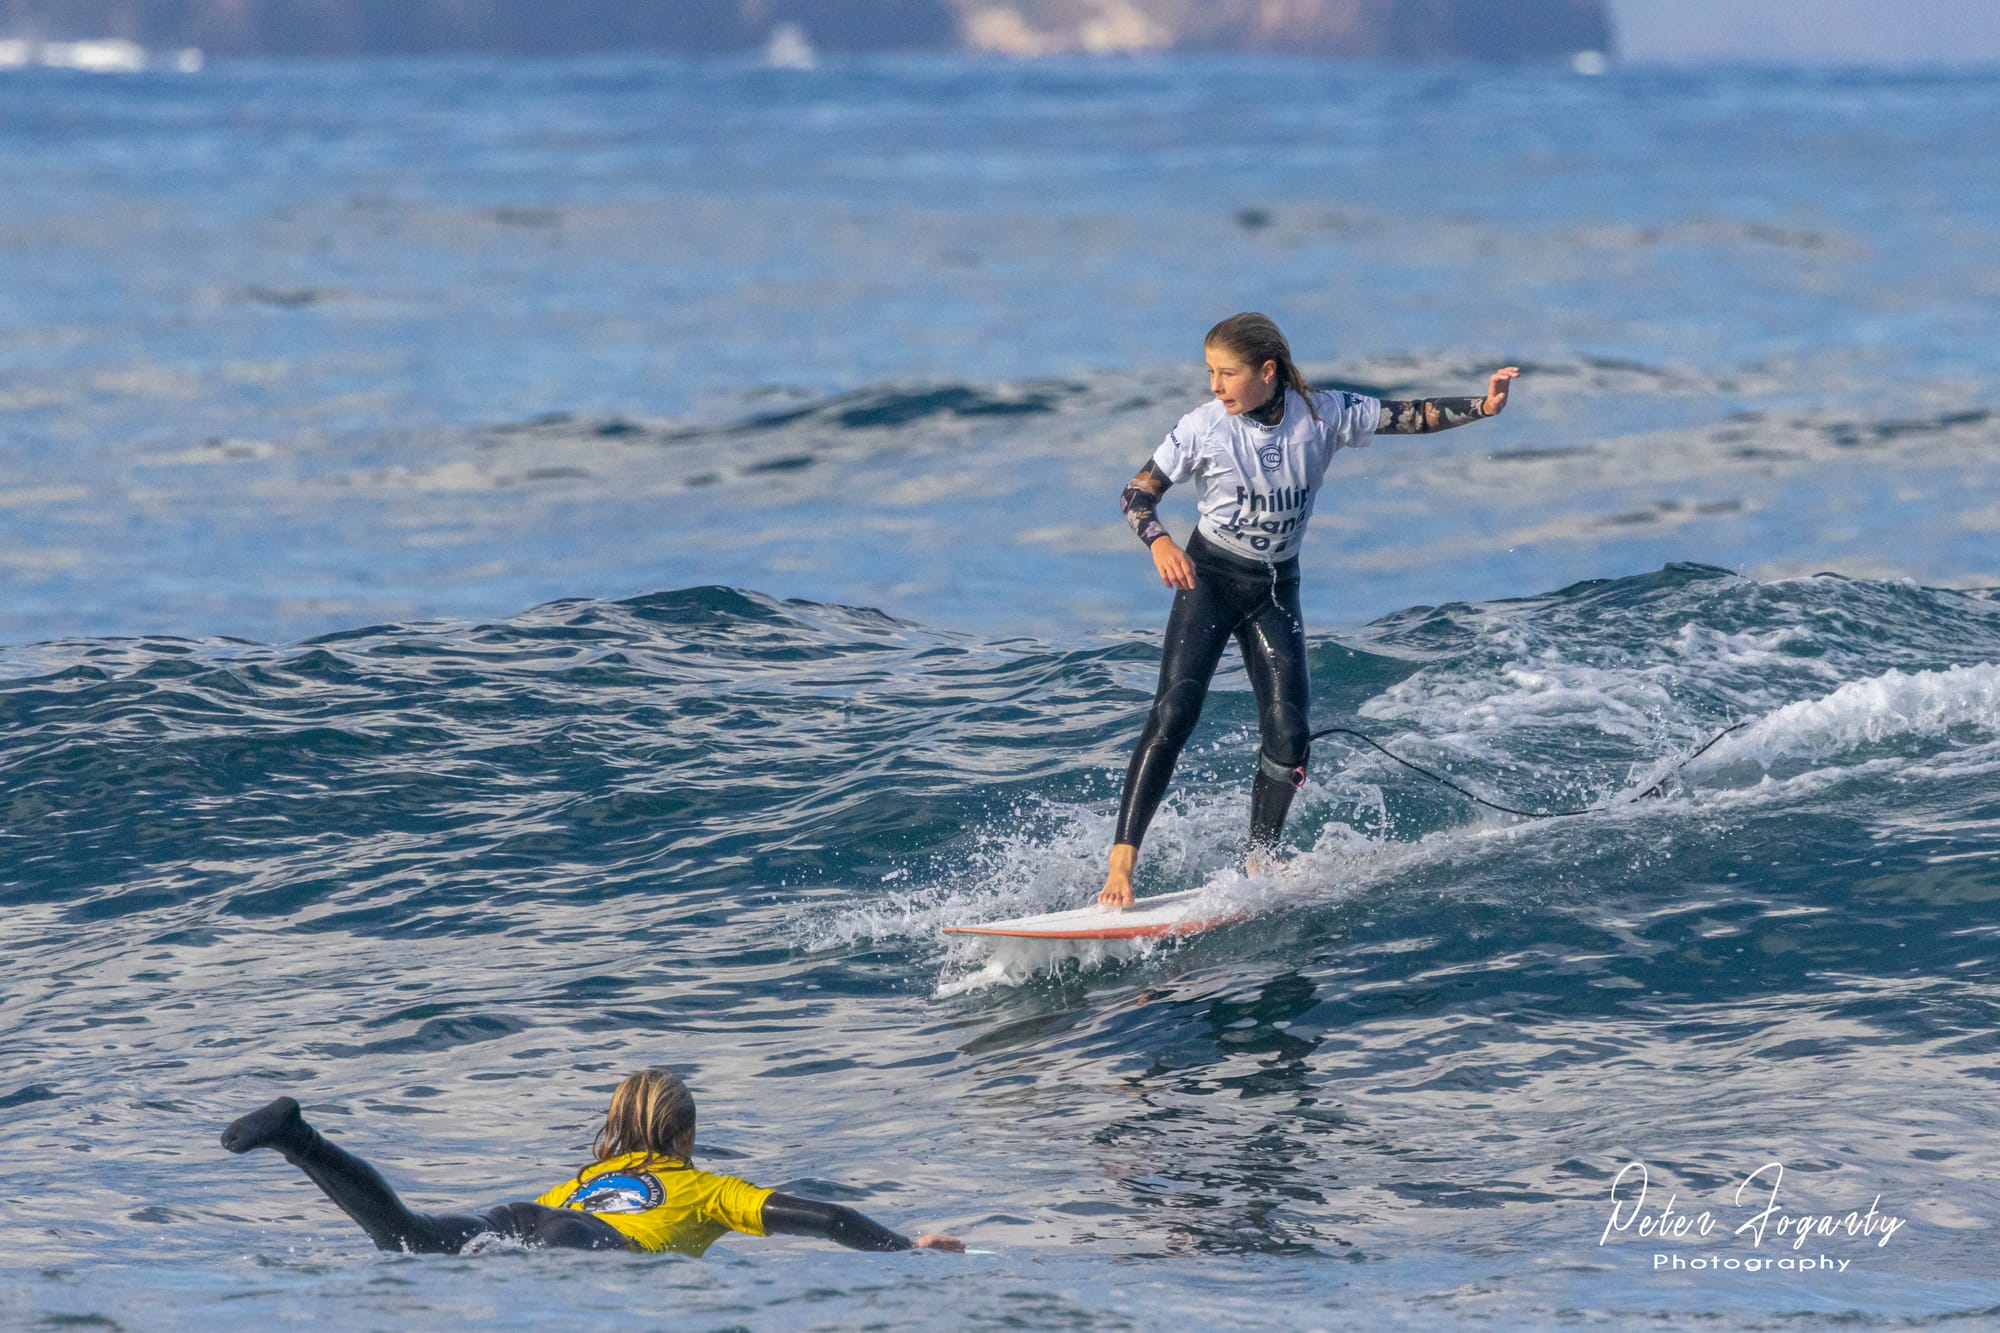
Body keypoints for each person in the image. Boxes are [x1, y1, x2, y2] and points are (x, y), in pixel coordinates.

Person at [1101, 311, 1518, 907]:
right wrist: (1159, 540)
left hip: (1275, 588)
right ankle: (1121, 866)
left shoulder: (1322, 414)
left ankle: (1260, 860)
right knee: (1174, 713)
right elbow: (1137, 491)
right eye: (1210, 373)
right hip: (1211, 579)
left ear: (1267, 372)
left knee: (1290, 732)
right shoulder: (1205, 427)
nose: (1215, 387)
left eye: (1227, 373)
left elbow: (1411, 416)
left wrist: (1485, 405)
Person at [220, 1067, 964, 1256]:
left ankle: (299, 1140)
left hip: (531, 1211)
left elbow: (549, 1218)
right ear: (684, 1138)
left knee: (410, 1236)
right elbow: (826, 1217)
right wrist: (907, 1247)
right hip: (597, 1246)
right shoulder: (705, 1189)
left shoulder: (585, 1177)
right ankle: (295, 1138)